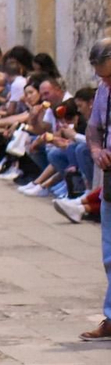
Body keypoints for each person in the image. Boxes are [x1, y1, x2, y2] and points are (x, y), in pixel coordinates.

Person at [80, 39, 111, 341]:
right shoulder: (103, 91)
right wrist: (97, 150)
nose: (104, 81)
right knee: (110, 252)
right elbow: (93, 128)